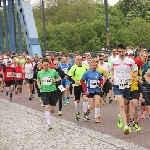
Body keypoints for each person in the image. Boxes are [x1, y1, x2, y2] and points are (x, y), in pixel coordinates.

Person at [111, 44, 138, 135]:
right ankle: (126, 126)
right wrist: (112, 77)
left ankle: (120, 116)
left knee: (126, 104)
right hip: (117, 85)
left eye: (123, 51)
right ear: (117, 52)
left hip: (127, 85)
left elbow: (135, 71)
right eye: (119, 52)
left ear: (125, 51)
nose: (121, 53)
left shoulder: (130, 61)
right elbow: (112, 69)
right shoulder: (113, 60)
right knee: (122, 105)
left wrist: (133, 77)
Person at [37, 58, 61, 130]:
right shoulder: (40, 73)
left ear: (49, 64)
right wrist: (38, 85)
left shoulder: (53, 71)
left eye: (47, 65)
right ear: (42, 65)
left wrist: (56, 80)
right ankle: (48, 123)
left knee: (52, 109)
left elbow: (59, 78)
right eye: (44, 65)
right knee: (46, 107)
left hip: (53, 91)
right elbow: (38, 80)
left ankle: (50, 115)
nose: (46, 66)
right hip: (44, 91)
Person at [68, 55, 89, 121]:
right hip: (77, 86)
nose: (80, 61)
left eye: (81, 59)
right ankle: (77, 112)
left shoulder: (85, 67)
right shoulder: (73, 68)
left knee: (85, 98)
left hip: (84, 85)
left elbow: (89, 75)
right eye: (78, 59)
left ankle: (85, 113)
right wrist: (74, 81)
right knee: (77, 100)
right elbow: (69, 77)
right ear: (75, 60)